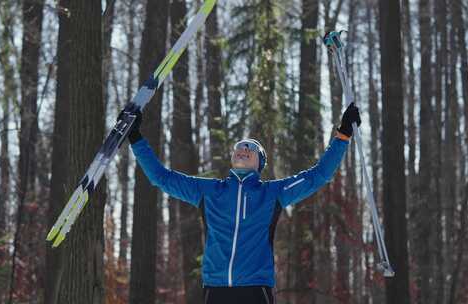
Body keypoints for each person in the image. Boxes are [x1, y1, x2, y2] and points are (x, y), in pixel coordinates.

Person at [126, 103, 361, 304]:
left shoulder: (271, 193)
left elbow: (317, 176)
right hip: (216, 289)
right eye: (239, 147)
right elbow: (161, 177)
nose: (243, 149)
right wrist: (135, 137)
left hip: (255, 289)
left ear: (259, 163)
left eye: (250, 148)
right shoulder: (209, 191)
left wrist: (343, 136)